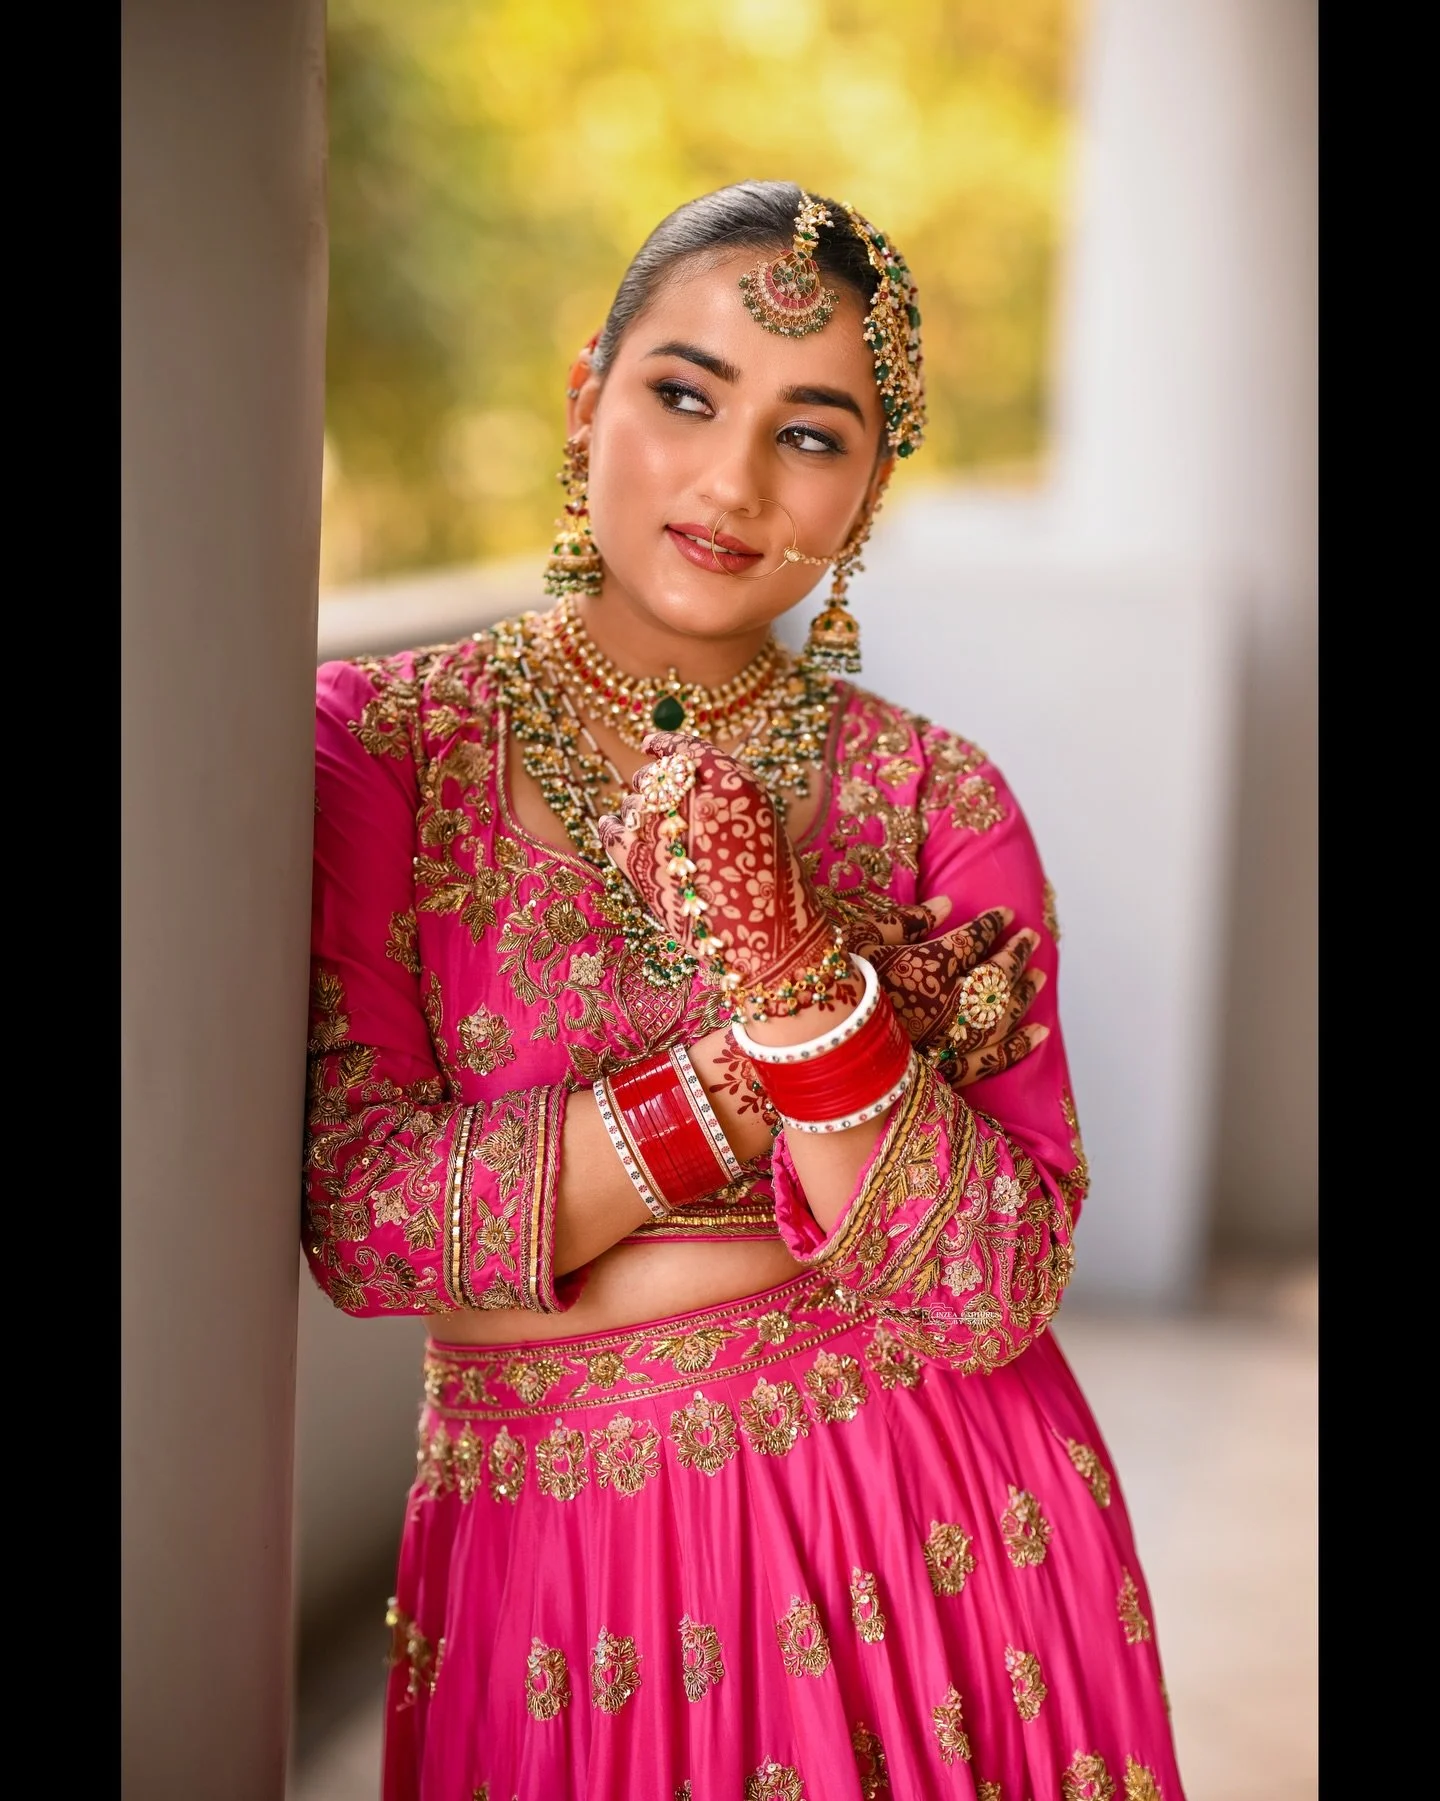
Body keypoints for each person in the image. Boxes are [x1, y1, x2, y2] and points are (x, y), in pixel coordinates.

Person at [306, 181, 1184, 1801]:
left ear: (869, 491)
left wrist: (793, 969)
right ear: (588, 396)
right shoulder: (382, 747)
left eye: (812, 433)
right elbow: (369, 1221)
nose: (729, 481)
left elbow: (990, 1284)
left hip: (933, 1541)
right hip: (555, 1566)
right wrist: (772, 1062)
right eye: (685, 394)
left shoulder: (937, 800)